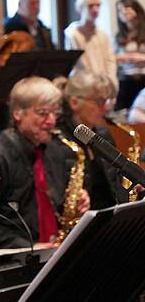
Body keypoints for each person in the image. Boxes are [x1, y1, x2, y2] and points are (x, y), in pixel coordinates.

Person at [0, 77, 90, 254]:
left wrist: (79, 200)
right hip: (17, 260)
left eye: (54, 113)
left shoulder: (57, 150)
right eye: (43, 113)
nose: (51, 121)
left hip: (57, 251)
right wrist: (29, 247)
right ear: (18, 113)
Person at [55, 72, 126, 209]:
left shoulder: (103, 134)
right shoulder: (59, 141)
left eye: (107, 101)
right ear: (74, 102)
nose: (106, 108)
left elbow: (115, 182)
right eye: (100, 101)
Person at [64, 0, 117, 90]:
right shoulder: (73, 33)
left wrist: (111, 83)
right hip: (84, 85)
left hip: (104, 85)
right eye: (90, 6)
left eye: (98, 6)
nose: (95, 10)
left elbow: (110, 60)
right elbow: (80, 64)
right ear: (80, 9)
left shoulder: (102, 34)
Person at [114, 0, 145, 110]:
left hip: (143, 78)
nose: (124, 12)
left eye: (127, 8)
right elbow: (112, 56)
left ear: (136, 9)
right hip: (126, 79)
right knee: (121, 112)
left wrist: (139, 57)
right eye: (120, 10)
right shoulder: (119, 35)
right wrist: (128, 57)